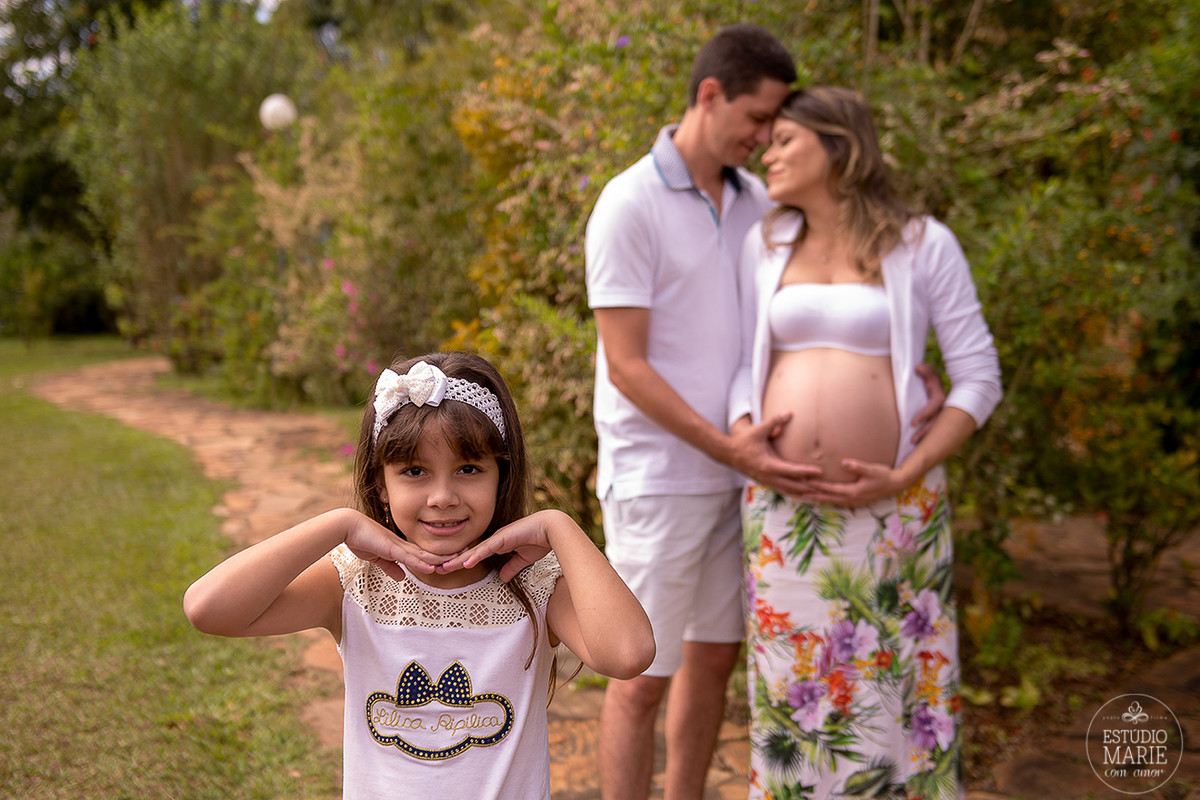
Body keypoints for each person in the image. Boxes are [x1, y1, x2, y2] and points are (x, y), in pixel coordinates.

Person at [585, 25, 946, 800]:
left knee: (714, 659)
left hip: (753, 482)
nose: (764, 138)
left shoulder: (763, 207)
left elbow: (826, 300)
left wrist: (908, 383)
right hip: (663, 478)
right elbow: (627, 365)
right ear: (710, 96)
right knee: (641, 672)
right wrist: (728, 446)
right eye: (758, 119)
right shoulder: (629, 204)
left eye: (778, 127)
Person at [184, 351, 655, 800]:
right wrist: (339, 525)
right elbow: (207, 608)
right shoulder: (355, 585)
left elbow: (629, 653)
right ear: (379, 485)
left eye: (468, 468)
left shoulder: (534, 584)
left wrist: (559, 527)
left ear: (501, 476)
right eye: (414, 471)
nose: (442, 496)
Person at [728, 86, 1003, 799]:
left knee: (889, 690)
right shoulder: (767, 244)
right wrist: (743, 436)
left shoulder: (921, 243)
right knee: (793, 694)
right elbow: (742, 366)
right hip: (787, 518)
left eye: (786, 139)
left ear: (839, 146)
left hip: (894, 511)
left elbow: (979, 375)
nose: (770, 152)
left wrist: (906, 469)